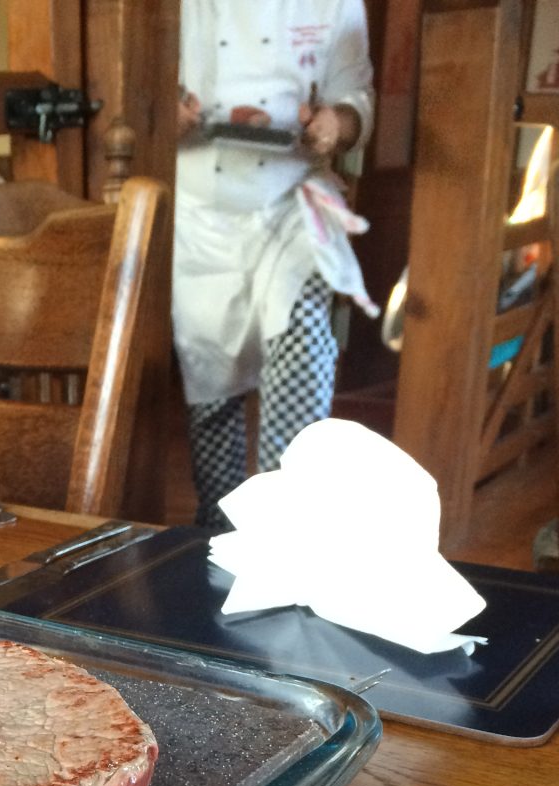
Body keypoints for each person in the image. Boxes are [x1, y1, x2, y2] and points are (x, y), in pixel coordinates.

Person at [174, 1, 377, 531]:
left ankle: (287, 527)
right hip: (198, 210)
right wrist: (161, 108)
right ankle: (216, 531)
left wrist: (338, 121)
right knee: (211, 385)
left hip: (291, 198)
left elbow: (354, 95)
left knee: (304, 338)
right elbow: (134, 87)